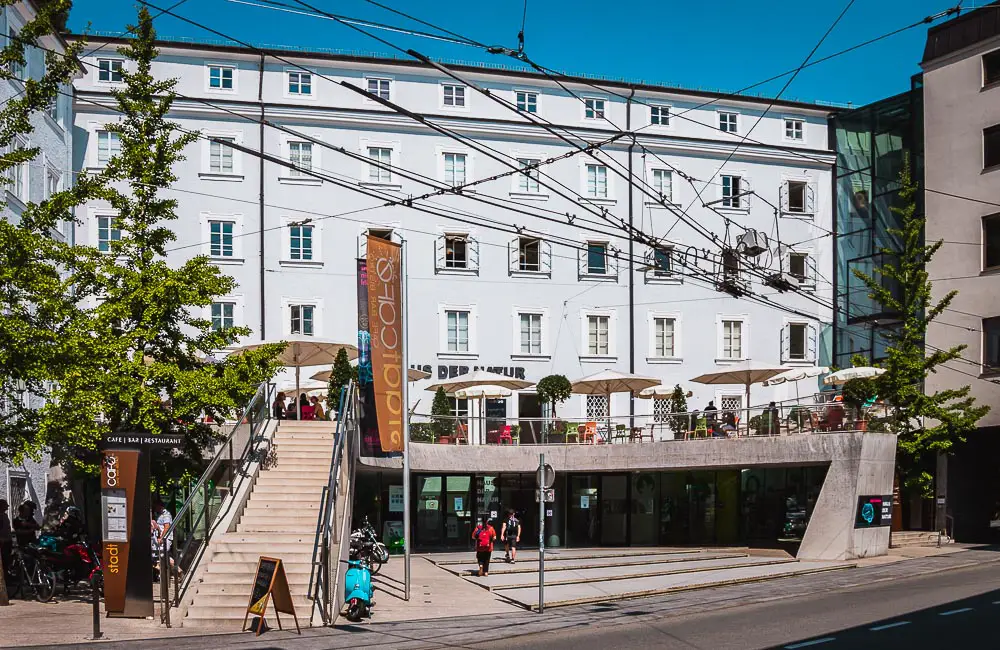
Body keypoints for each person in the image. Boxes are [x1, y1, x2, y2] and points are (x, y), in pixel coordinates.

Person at [0, 498, 12, 576]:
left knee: (7, 559)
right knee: (3, 560)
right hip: (2, 542)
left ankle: (6, 574)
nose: (7, 507)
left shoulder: (4, 515)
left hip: (7, 540)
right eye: (5, 506)